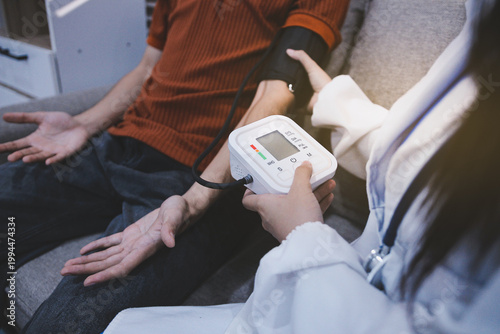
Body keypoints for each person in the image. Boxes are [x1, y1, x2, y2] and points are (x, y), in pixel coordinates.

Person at [103, 0, 500, 332]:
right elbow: (428, 160)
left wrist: (302, 234)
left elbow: (273, 95)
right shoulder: (480, 35)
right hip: (343, 283)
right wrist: (340, 105)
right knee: (125, 324)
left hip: (339, 301)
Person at [0, 1, 350, 332]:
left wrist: (194, 200)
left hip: (198, 178)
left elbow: (275, 93)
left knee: (68, 322)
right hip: (118, 145)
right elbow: (148, 66)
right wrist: (85, 123)